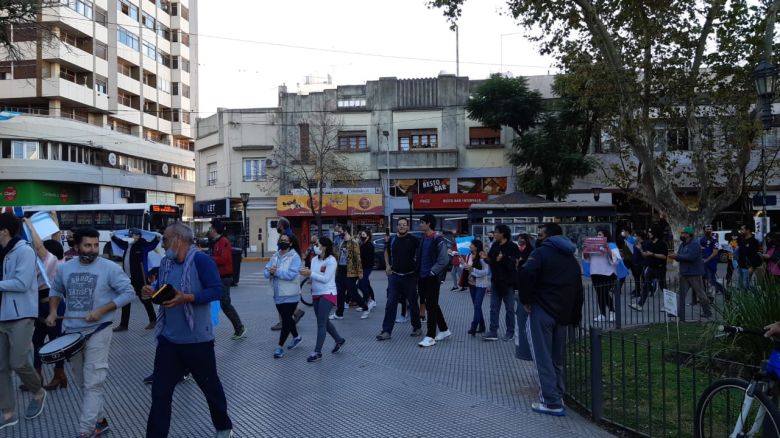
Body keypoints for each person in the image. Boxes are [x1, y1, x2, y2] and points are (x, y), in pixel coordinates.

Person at [141, 223, 233, 437]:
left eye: (164, 239)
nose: (162, 245)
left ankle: (223, 426)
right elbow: (165, 288)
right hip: (168, 342)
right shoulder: (166, 263)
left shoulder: (201, 261)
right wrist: (152, 291)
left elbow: (217, 291)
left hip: (198, 341)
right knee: (160, 394)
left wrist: (188, 298)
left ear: (177, 239)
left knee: (211, 389)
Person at [47, 227, 135, 437]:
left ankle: (84, 431)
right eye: (87, 245)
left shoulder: (109, 268)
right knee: (84, 383)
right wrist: (52, 312)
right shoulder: (65, 268)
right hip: (71, 333)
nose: (93, 249)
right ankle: (101, 421)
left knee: (93, 383)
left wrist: (103, 310)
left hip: (99, 330)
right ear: (76, 247)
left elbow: (128, 292)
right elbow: (56, 289)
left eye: (96, 245)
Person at [518, 222, 583, 417]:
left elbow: (526, 274)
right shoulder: (571, 258)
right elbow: (578, 289)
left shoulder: (541, 253)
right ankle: (558, 393)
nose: (538, 237)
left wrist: (526, 300)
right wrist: (574, 315)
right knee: (556, 357)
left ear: (548, 236)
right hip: (562, 314)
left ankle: (551, 401)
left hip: (542, 310)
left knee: (542, 357)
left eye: (540, 234)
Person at [0, 213, 47, 431]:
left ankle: (38, 392)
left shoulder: (24, 251)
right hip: (1, 315)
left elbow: (21, 282)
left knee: (18, 362)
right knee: (1, 367)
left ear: (4, 231)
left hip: (21, 315)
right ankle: (8, 412)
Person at [22, 217, 67, 392]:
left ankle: (59, 375)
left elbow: (40, 246)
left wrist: (29, 224)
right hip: (42, 307)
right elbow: (55, 238)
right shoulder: (59, 259)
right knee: (38, 340)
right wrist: (54, 217)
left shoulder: (51, 261)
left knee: (55, 342)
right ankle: (38, 377)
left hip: (51, 306)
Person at [298, 237, 346, 363]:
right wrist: (309, 278)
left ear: (324, 246)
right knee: (323, 321)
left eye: (317, 244)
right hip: (316, 294)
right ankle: (339, 340)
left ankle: (317, 352)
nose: (315, 246)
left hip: (328, 293)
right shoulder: (313, 260)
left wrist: (310, 274)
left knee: (321, 323)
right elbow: (314, 275)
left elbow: (325, 279)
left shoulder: (331, 261)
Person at [376, 218, 422, 341]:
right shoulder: (392, 239)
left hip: (410, 276)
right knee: (390, 303)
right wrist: (387, 265)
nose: (402, 227)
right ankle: (386, 331)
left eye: (404, 225)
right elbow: (386, 251)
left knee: (413, 303)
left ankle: (417, 327)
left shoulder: (413, 240)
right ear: (397, 226)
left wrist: (418, 269)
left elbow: (422, 253)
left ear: (408, 227)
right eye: (400, 225)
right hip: (395, 276)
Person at [111, 229, 161, 332]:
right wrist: (113, 237)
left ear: (139, 236)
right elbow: (119, 243)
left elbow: (151, 245)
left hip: (140, 277)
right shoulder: (128, 244)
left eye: (135, 235)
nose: (133, 237)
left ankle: (153, 320)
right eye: (131, 235)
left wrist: (156, 240)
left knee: (145, 298)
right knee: (126, 299)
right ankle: (124, 325)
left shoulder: (142, 245)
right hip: (128, 277)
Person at [264, 233, 303, 358]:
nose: (283, 242)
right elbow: (266, 271)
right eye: (281, 240)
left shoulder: (295, 257)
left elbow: (291, 275)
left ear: (290, 243)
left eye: (285, 240)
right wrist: (269, 272)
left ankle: (279, 347)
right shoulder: (275, 256)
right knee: (288, 319)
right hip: (277, 294)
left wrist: (276, 272)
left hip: (291, 294)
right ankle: (297, 337)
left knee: (286, 320)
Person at [416, 214, 452, 348]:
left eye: (422, 222)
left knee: (431, 307)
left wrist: (432, 272)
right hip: (422, 276)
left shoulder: (438, 239)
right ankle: (444, 330)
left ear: (429, 224)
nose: (420, 225)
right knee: (432, 304)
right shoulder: (424, 238)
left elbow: (444, 260)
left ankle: (430, 336)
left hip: (431, 277)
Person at [208, 222, 247, 340]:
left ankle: (239, 328)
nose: (209, 230)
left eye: (210, 228)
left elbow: (224, 259)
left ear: (215, 230)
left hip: (224, 277)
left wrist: (209, 258)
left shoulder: (223, 242)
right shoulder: (216, 242)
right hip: (219, 277)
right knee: (222, 304)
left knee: (225, 304)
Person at [483, 224, 520, 341]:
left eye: (496, 232)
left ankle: (510, 332)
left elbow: (515, 263)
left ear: (502, 234)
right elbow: (490, 260)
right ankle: (493, 331)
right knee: (493, 308)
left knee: (509, 309)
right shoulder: (494, 245)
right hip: (496, 282)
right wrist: (485, 257)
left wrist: (504, 259)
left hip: (508, 283)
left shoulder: (512, 246)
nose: (494, 235)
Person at [668, 226, 712, 319]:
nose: (681, 235)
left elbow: (690, 257)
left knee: (701, 294)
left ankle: (707, 312)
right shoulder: (683, 244)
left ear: (688, 235)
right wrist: (676, 256)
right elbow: (681, 255)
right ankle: (677, 312)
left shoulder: (695, 244)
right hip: (685, 273)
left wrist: (676, 256)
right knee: (680, 294)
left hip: (694, 273)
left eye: (683, 233)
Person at [331, 227, 369, 320]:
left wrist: (360, 272)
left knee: (353, 292)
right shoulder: (341, 242)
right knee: (340, 293)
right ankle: (339, 313)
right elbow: (339, 256)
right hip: (340, 271)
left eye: (340, 231)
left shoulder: (354, 243)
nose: (339, 233)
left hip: (351, 272)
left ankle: (365, 308)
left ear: (345, 231)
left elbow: (358, 258)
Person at [584, 229, 620, 322]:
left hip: (608, 273)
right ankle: (603, 314)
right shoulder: (593, 245)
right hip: (595, 273)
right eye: (597, 234)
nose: (598, 236)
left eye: (600, 235)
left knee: (604, 293)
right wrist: (586, 249)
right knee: (599, 294)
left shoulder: (611, 245)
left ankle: (612, 312)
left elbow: (615, 260)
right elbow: (586, 258)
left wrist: (607, 248)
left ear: (605, 236)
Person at [630, 226, 668, 311]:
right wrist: (640, 250)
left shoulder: (662, 244)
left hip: (660, 268)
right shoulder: (649, 243)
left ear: (656, 233)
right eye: (649, 232)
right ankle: (640, 304)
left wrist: (653, 254)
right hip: (651, 268)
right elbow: (645, 255)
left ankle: (668, 305)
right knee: (646, 285)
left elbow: (664, 256)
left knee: (663, 287)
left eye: (651, 232)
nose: (649, 234)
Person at [463, 239, 490, 335]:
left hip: (481, 284)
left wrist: (472, 269)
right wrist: (463, 263)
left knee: (477, 305)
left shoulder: (482, 256)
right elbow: (467, 268)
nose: (470, 246)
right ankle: (482, 326)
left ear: (476, 246)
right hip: (471, 284)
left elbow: (486, 272)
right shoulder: (468, 255)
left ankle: (473, 326)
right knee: (476, 306)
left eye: (472, 244)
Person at [699, 224, 726, 297]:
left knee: (711, 280)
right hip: (703, 263)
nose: (709, 230)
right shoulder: (702, 239)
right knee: (703, 279)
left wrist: (707, 260)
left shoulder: (714, 239)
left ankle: (725, 293)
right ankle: (705, 295)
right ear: (704, 230)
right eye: (707, 229)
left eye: (710, 229)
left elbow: (715, 252)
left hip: (711, 263)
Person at [737, 224, 762, 288]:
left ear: (748, 230)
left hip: (748, 267)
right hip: (740, 266)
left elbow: (755, 255)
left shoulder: (754, 241)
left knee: (746, 286)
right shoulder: (742, 240)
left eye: (742, 229)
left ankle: (756, 294)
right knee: (741, 286)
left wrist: (753, 267)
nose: (741, 231)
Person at [357, 230, 377, 310]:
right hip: (363, 267)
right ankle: (371, 301)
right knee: (366, 284)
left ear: (368, 236)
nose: (362, 236)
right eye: (361, 234)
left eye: (363, 234)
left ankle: (369, 301)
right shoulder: (362, 245)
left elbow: (366, 258)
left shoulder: (369, 245)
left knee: (361, 285)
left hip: (366, 267)